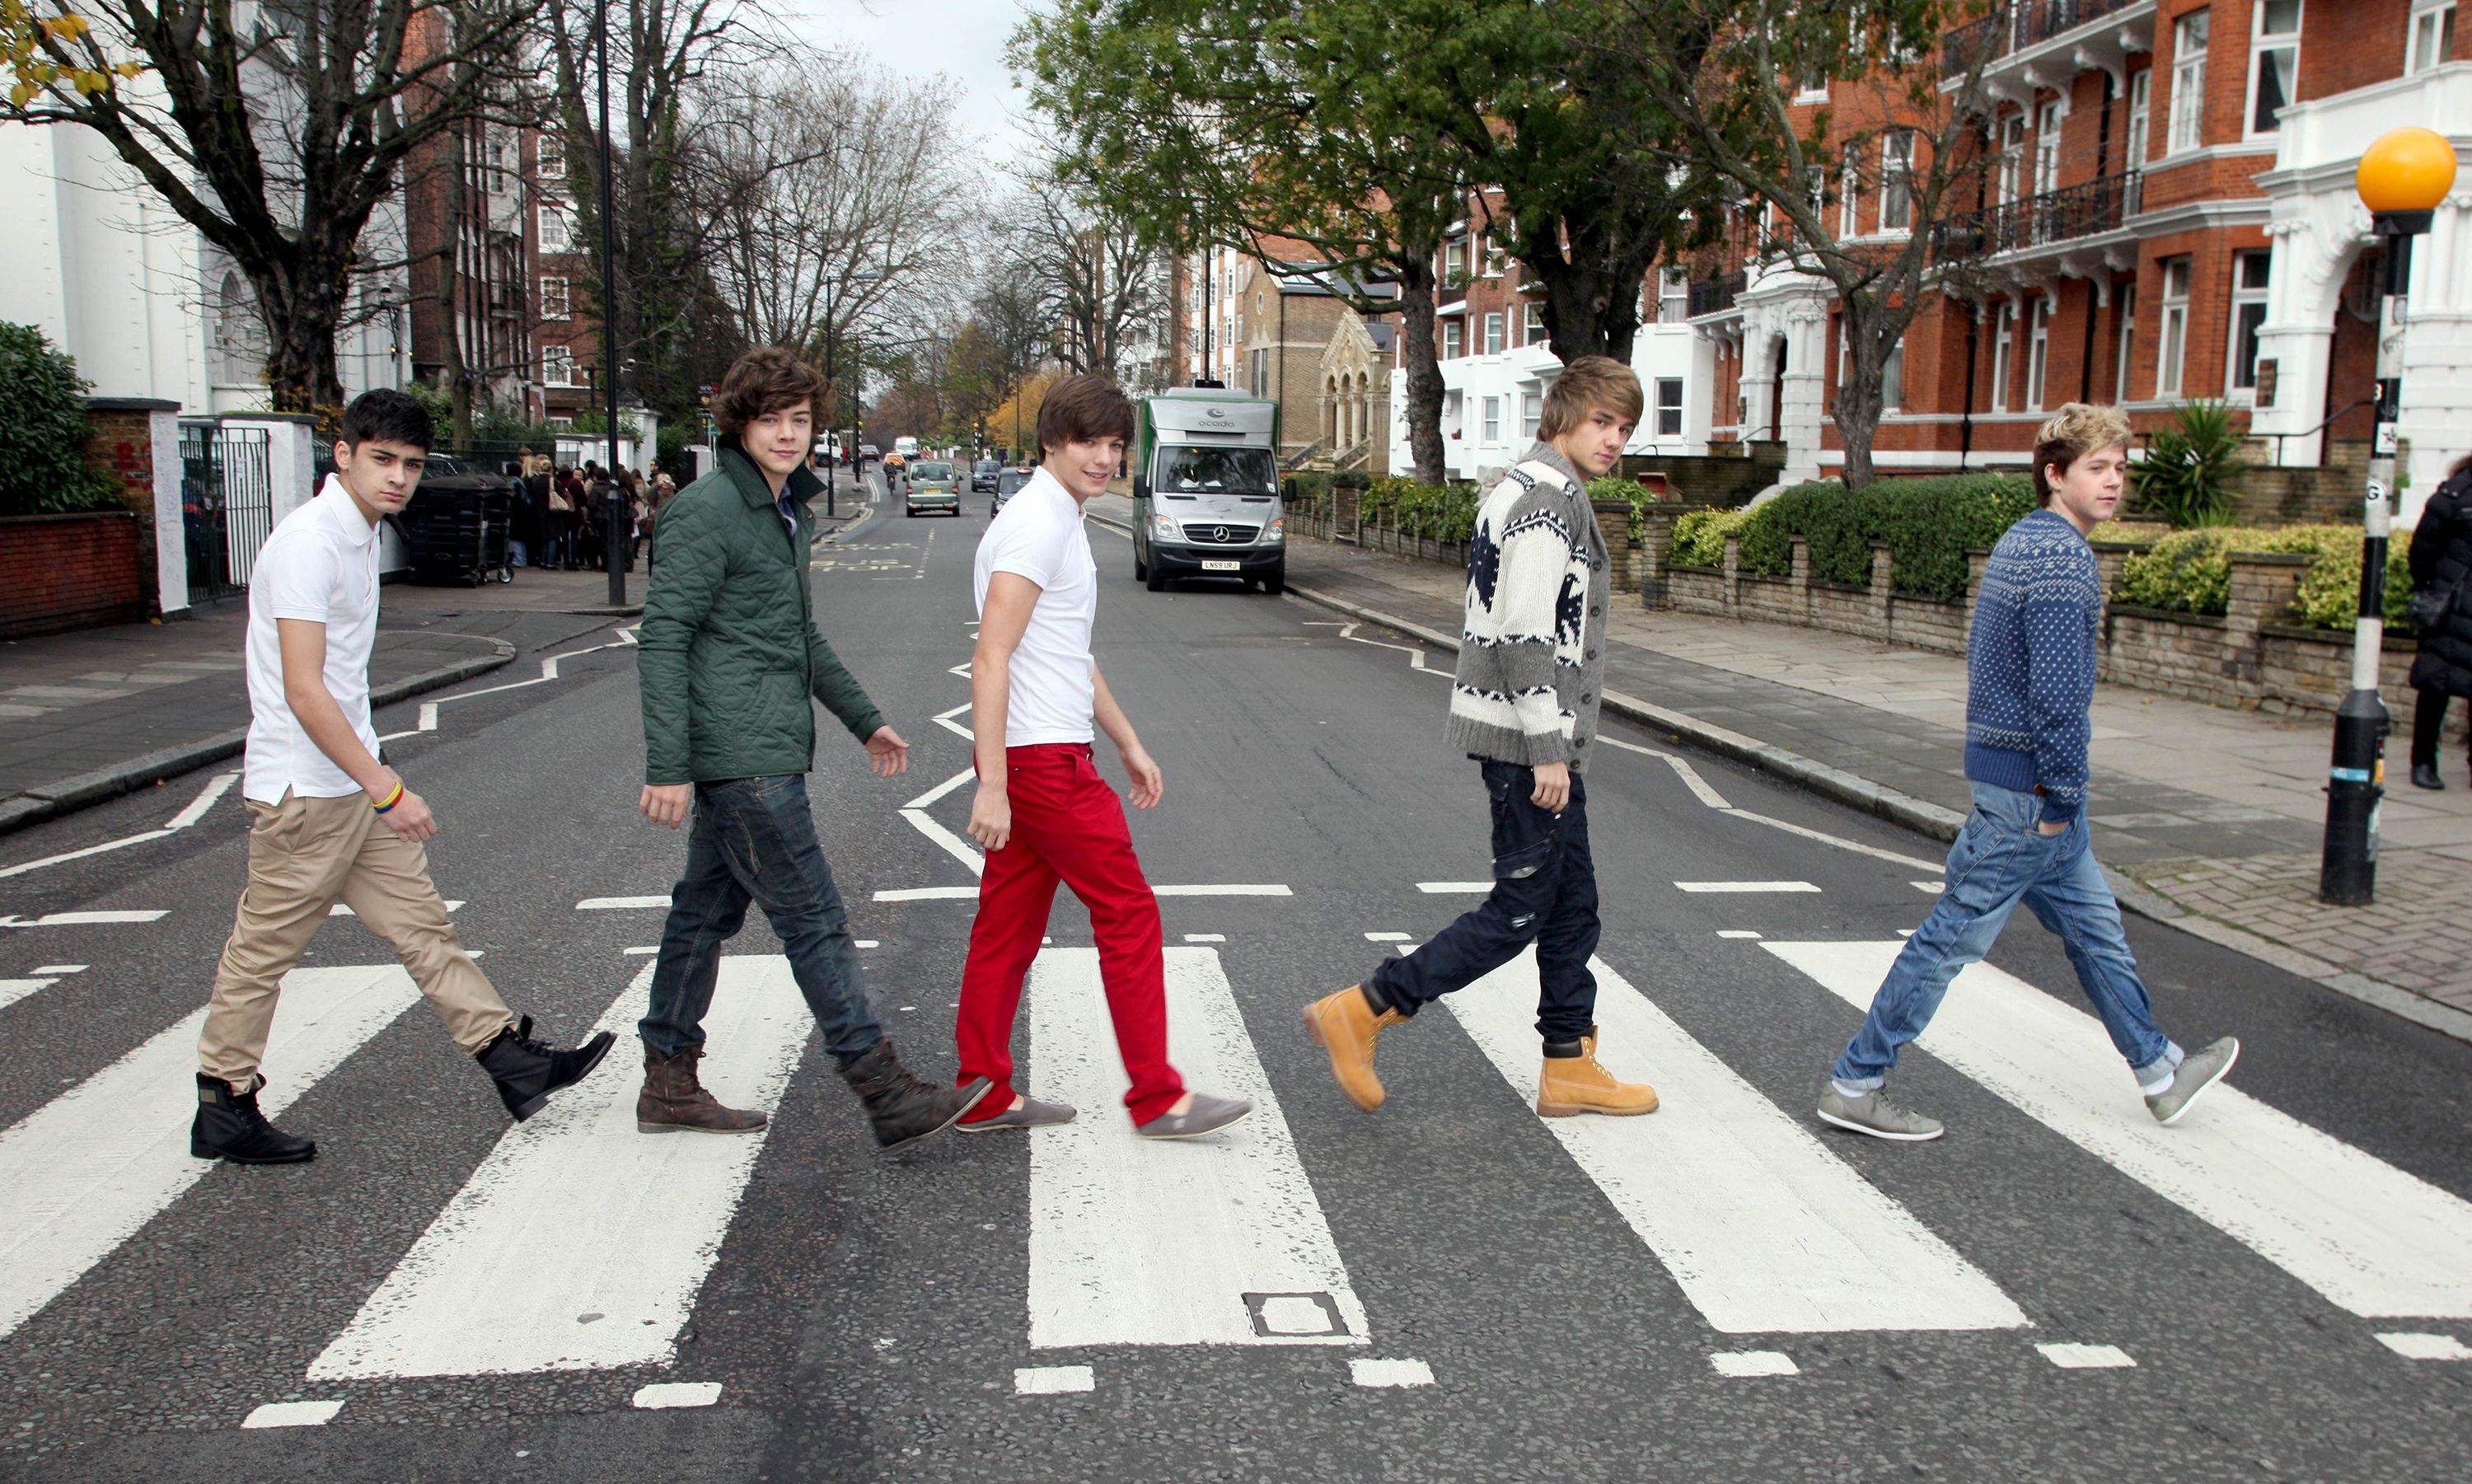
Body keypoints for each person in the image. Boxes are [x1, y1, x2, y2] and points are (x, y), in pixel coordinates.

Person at [190, 390, 615, 1164]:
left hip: (345, 781)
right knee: (262, 954)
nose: (398, 478)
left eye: (411, 465)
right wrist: (385, 788)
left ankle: (507, 1057)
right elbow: (306, 689)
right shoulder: (310, 544)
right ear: (343, 454)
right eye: (382, 459)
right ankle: (224, 1101)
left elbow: (342, 690)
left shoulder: (357, 534)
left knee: (421, 924)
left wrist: (374, 772)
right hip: (307, 793)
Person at [1814, 404, 2239, 1141]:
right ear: (2055, 473)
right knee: (1949, 940)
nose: (2114, 483)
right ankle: (1857, 1080)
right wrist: (2062, 794)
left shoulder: (2026, 541)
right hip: (2031, 793)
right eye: (2097, 468)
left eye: (2120, 469)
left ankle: (2159, 1071)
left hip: (2024, 789)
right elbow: (2056, 694)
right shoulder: (2062, 561)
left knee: (2096, 928)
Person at [635, 346, 986, 1149]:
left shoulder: (779, 508)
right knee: (816, 921)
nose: (789, 434)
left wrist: (865, 718)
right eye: (771, 419)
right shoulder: (707, 510)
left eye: (800, 419)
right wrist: (667, 764)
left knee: (703, 913)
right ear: (739, 422)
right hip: (744, 755)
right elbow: (664, 640)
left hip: (760, 745)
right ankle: (883, 1088)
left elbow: (797, 636)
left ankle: (668, 1076)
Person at [1301, 357, 1658, 1121]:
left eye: (1624, 427)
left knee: (1573, 905)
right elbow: (1524, 635)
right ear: (1562, 416)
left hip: (1536, 736)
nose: (1614, 440)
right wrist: (1548, 746)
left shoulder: (1531, 487)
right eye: (1602, 421)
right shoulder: (1546, 502)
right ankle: (1365, 1008)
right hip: (1533, 741)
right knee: (1523, 910)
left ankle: (1569, 1063)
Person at [953, 374, 1250, 1139]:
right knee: (1128, 911)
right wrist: (993, 783)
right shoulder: (1037, 526)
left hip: (1046, 751)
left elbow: (1068, 656)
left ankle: (983, 1090)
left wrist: (1127, 740)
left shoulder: (1056, 516)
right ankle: (1158, 1096)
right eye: (1090, 441)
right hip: (1043, 761)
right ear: (1052, 439)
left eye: (1116, 445)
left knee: (1006, 931)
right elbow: (992, 656)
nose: (1104, 458)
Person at [2406, 455, 2472, 791]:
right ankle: (2423, 762)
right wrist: (2435, 589)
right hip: (2450, 606)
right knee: (2436, 685)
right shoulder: (2454, 496)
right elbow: (2422, 550)